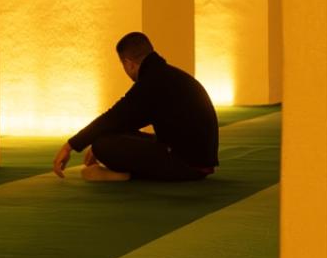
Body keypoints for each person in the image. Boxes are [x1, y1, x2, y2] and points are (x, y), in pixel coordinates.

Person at [52, 32, 219, 182]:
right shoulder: (167, 75)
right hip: (193, 158)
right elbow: (122, 120)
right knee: (112, 133)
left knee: (103, 145)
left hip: (186, 165)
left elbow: (113, 117)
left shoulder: (151, 82)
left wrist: (70, 146)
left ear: (129, 63)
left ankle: (126, 175)